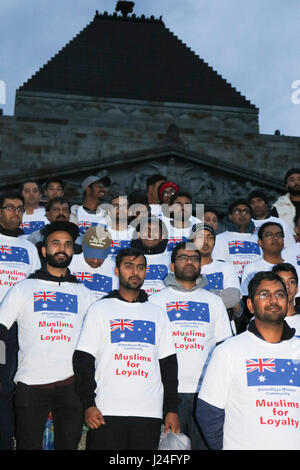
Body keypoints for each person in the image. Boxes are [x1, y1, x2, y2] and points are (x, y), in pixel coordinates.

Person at [0, 221, 96, 450]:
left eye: (68, 244)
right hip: (31, 385)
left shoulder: (85, 293)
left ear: (73, 251)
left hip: (71, 386)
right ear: (44, 251)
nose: (62, 248)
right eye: (56, 243)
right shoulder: (23, 288)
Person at [73, 247, 180, 450]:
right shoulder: (99, 309)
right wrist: (88, 404)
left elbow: (168, 365)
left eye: (140, 267)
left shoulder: (157, 313)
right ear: (116, 271)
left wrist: (171, 409)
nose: (135, 272)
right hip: (106, 410)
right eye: (128, 266)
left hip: (149, 411)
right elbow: (83, 361)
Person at [196, 271, 300, 450]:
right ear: (251, 305)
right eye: (264, 294)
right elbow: (208, 412)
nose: (273, 300)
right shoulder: (228, 351)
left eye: (279, 294)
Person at [149, 242, 232, 449]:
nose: (189, 261)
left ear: (200, 265)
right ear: (171, 265)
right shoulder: (154, 302)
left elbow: (224, 348)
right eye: (183, 257)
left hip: (205, 394)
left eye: (194, 258)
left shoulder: (214, 302)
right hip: (166, 393)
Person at [0, 191, 41, 450]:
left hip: (18, 329)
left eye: (19, 209)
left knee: (10, 385)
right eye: (9, 208)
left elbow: (36, 286)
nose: (15, 213)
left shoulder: (29, 248)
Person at [192, 223, 242, 334]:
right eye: (200, 237)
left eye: (210, 238)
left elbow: (233, 298)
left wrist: (193, 302)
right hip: (191, 330)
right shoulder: (183, 268)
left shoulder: (226, 267)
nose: (205, 242)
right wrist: (218, 295)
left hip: (221, 329)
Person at [212, 199, 261, 279]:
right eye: (238, 211)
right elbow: (219, 266)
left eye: (246, 211)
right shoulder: (220, 239)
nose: (242, 214)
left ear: (251, 216)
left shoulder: (259, 240)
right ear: (230, 216)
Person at [69, 226, 117, 300]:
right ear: (82, 247)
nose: (95, 261)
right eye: (91, 255)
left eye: (101, 256)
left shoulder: (114, 268)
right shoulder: (69, 263)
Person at [240, 222, 286, 297]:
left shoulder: (294, 265)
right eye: (269, 235)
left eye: (279, 235)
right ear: (260, 242)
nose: (275, 238)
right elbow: (246, 297)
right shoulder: (251, 269)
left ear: (283, 241)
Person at [130, 215, 171, 295]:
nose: (150, 234)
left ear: (162, 237)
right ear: (138, 235)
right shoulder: (126, 259)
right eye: (146, 230)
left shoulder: (172, 259)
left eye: (155, 230)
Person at [70, 171, 110, 236]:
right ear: (88, 189)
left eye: (104, 187)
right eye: (99, 186)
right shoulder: (75, 212)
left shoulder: (107, 214)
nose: (104, 190)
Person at [272, 263, 300, 335]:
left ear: (296, 288)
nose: (287, 286)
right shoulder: (260, 321)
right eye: (282, 282)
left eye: (291, 282)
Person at [271, 168, 300, 234]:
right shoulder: (278, 206)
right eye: (292, 180)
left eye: (299, 179)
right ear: (286, 185)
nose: (296, 182)